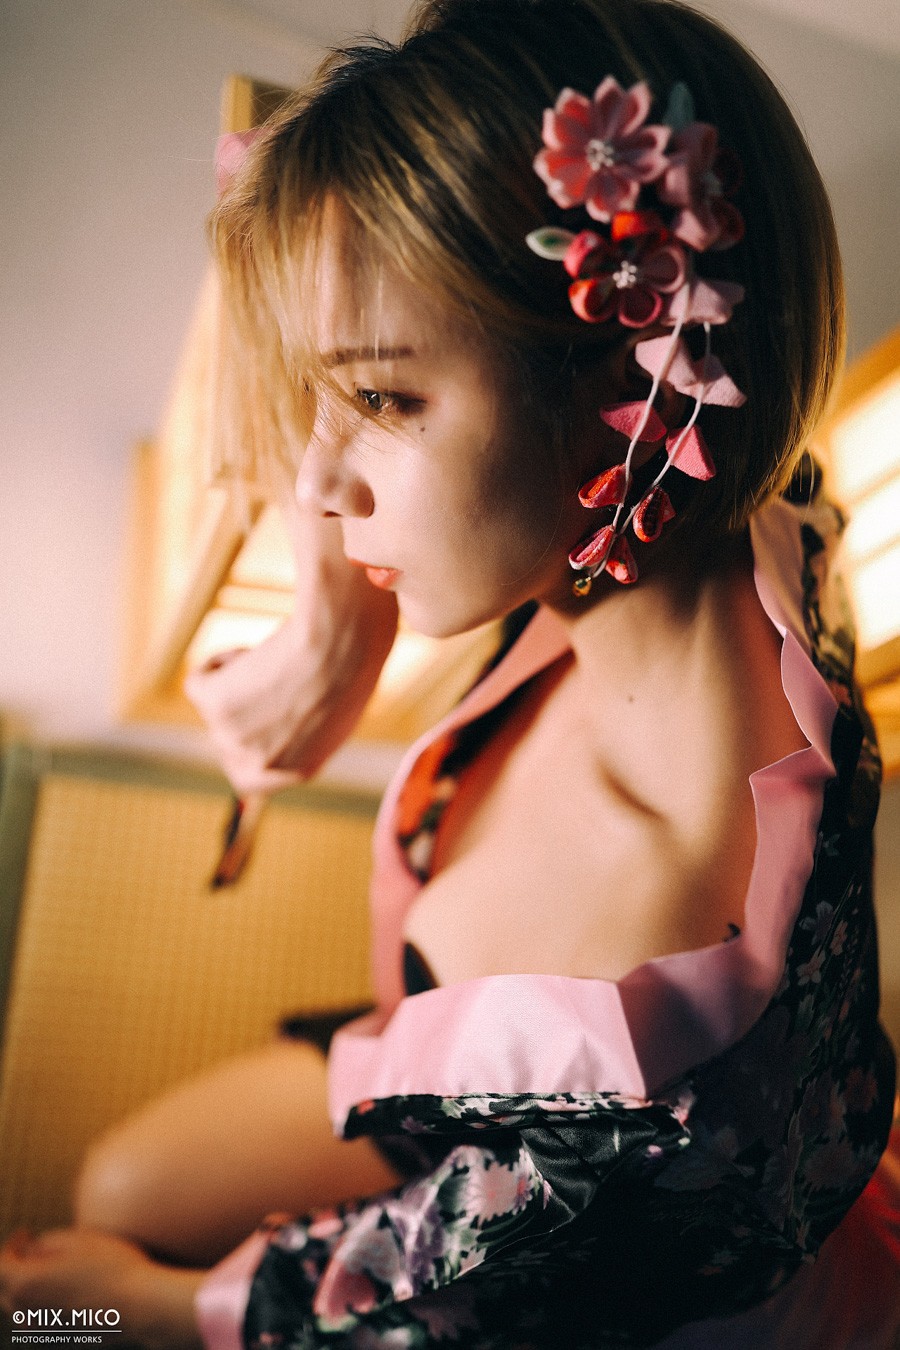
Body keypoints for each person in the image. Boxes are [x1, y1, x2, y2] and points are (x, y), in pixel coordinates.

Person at [2, 0, 899, 1344]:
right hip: (469, 1088)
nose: (318, 485)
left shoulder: (641, 978)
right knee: (124, 1178)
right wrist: (333, 626)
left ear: (630, 381)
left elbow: (438, 1299)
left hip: (602, 1230)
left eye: (383, 401)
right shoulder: (758, 510)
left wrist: (150, 1309)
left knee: (69, 1288)